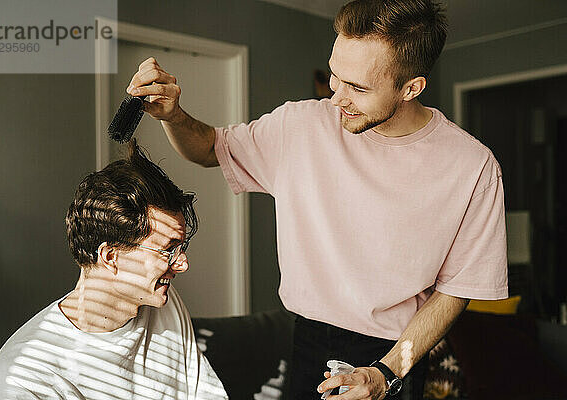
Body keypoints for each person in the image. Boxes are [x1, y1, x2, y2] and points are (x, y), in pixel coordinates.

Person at [125, 0, 508, 398]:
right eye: (335, 76)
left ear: (411, 88)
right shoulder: (300, 126)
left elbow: (457, 290)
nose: (337, 97)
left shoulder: (473, 167)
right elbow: (209, 148)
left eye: (358, 88)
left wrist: (386, 373)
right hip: (307, 340)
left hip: (395, 355)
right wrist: (173, 114)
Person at [0, 141, 228, 400]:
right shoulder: (27, 378)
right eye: (168, 250)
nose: (182, 263)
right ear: (110, 257)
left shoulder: (163, 303)